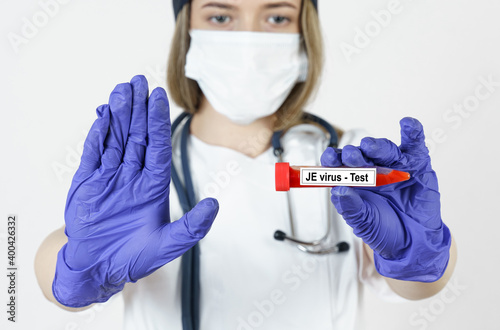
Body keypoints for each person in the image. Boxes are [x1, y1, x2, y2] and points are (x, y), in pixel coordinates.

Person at [35, 0, 457, 329]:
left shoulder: (348, 159)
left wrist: (422, 254)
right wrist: (78, 266)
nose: (249, 40)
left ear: (304, 33)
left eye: (276, 18)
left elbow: (420, 287)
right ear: (187, 33)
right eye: (220, 17)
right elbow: (50, 262)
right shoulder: (140, 169)